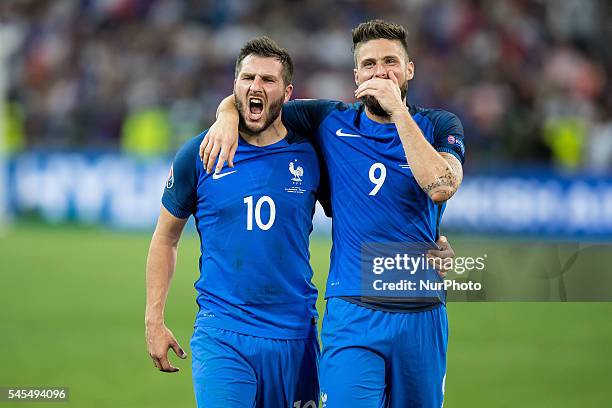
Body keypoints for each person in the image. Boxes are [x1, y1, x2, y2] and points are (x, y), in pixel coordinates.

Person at [201, 19, 464, 408]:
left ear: (409, 69)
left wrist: (399, 114)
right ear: (356, 75)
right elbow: (261, 99)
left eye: (391, 62)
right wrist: (226, 113)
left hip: (420, 308)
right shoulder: (328, 120)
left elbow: (441, 184)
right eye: (370, 64)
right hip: (352, 310)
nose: (381, 72)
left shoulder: (440, 125)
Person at [145, 36, 326, 408]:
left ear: (287, 92)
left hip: (295, 337)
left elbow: (361, 213)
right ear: (234, 86)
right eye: (247, 78)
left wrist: (424, 239)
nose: (255, 87)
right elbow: (165, 238)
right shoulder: (200, 154)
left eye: (267, 80)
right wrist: (154, 319)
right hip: (222, 333)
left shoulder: (311, 155)